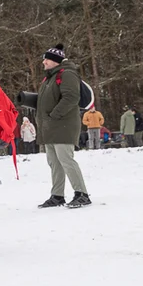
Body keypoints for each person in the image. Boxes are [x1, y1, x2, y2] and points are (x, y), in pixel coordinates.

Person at [35, 44, 90, 208]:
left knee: (66, 159)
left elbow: (71, 97)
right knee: (54, 162)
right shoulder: (49, 77)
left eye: (47, 59)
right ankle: (57, 195)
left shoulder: (67, 74)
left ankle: (82, 194)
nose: (44, 62)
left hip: (63, 125)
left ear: (55, 61)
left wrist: (54, 115)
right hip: (50, 126)